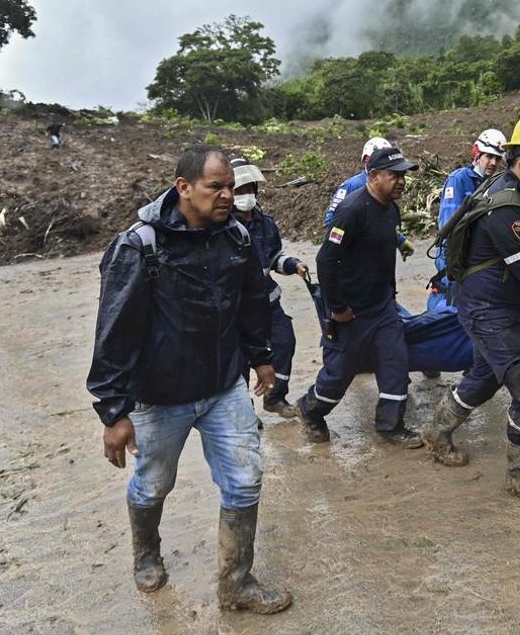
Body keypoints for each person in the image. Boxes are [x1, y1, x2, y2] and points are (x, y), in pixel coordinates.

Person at [86, 143, 292, 616]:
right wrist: (113, 412)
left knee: (245, 482)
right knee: (153, 485)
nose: (227, 196)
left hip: (223, 386)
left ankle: (236, 584)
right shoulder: (139, 246)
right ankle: (146, 552)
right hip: (159, 397)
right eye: (215, 187)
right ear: (183, 187)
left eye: (231, 188)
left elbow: (252, 300)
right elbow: (113, 332)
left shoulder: (236, 237)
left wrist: (261, 356)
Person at [421, 110, 520, 506]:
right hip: (491, 313)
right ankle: (519, 475)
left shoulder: (511, 189)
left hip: (484, 305)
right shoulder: (509, 210)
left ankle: (437, 431)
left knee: (486, 376)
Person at [296, 145, 423, 447]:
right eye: (395, 175)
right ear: (374, 174)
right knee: (340, 373)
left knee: (395, 363)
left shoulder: (391, 210)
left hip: (382, 307)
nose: (402, 181)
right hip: (351, 311)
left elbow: (384, 255)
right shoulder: (351, 210)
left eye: (403, 175)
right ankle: (311, 410)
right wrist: (337, 307)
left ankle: (390, 426)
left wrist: (391, 294)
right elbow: (325, 260)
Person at [228, 155, 308, 417]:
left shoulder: (266, 223)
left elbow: (273, 259)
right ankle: (244, 413)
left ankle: (275, 396)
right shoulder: (222, 228)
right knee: (237, 362)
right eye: (240, 190)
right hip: (236, 311)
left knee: (285, 342)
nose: (246, 195)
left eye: (250, 189)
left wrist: (293, 264)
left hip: (268, 304)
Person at [427, 128, 507, 313]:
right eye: (489, 156)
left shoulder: (495, 184)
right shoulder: (459, 179)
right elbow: (449, 224)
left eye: (497, 159)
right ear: (477, 154)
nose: (493, 163)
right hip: (453, 254)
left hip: (476, 257)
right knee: (448, 303)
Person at [325, 136, 414, 261]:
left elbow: (382, 221)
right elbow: (332, 219)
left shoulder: (387, 187)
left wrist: (399, 240)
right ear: (366, 160)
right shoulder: (352, 186)